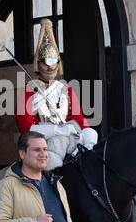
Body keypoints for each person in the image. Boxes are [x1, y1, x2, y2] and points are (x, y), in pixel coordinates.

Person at [15, 18, 97, 170]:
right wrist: (57, 130)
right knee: (51, 162)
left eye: (53, 62)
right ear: (38, 64)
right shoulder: (29, 90)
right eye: (45, 62)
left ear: (58, 63)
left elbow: (79, 119)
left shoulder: (66, 89)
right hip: (43, 144)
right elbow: (25, 126)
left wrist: (87, 138)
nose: (49, 66)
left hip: (69, 142)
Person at [0, 131, 78, 222]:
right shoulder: (7, 185)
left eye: (45, 149)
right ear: (22, 154)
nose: (43, 154)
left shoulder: (56, 184)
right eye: (37, 150)